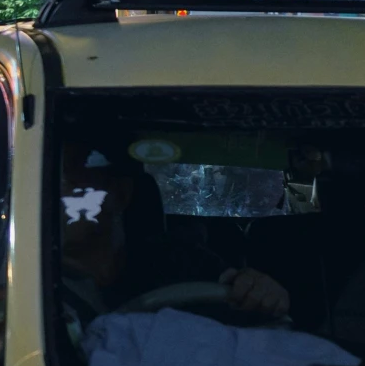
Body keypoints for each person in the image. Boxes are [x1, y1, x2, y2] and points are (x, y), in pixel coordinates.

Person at [56, 141, 292, 329]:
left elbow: (252, 318)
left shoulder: (183, 262)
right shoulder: (35, 285)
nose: (55, 193)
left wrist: (264, 295)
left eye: (72, 177)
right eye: (52, 179)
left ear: (121, 194)